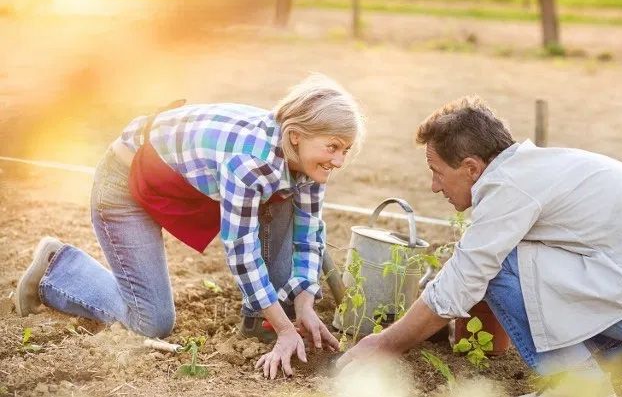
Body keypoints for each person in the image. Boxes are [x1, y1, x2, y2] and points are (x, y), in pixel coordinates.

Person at [336, 96, 622, 397]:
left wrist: (384, 343)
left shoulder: (509, 188)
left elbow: (461, 284)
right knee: (522, 262)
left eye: (437, 173)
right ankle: (616, 356)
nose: (435, 186)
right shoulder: (534, 169)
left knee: (500, 267)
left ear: (471, 167)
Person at [15, 74, 365, 379]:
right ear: (294, 136)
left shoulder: (310, 163)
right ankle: (57, 268)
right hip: (125, 186)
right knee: (152, 322)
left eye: (346, 150)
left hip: (181, 184)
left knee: (285, 200)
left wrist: (304, 302)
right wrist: (289, 328)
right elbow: (241, 252)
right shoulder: (250, 163)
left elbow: (309, 235)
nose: (339, 161)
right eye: (333, 147)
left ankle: (264, 319)